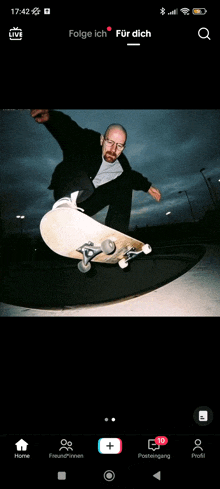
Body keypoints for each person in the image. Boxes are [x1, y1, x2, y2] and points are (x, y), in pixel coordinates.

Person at [31, 109, 161, 234]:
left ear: (123, 147)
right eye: (110, 142)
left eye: (119, 146)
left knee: (125, 182)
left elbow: (132, 176)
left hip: (87, 204)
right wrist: (51, 118)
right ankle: (65, 209)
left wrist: (147, 186)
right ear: (102, 140)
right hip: (67, 190)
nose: (113, 149)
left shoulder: (122, 165)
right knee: (77, 157)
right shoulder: (88, 141)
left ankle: (116, 234)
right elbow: (70, 130)